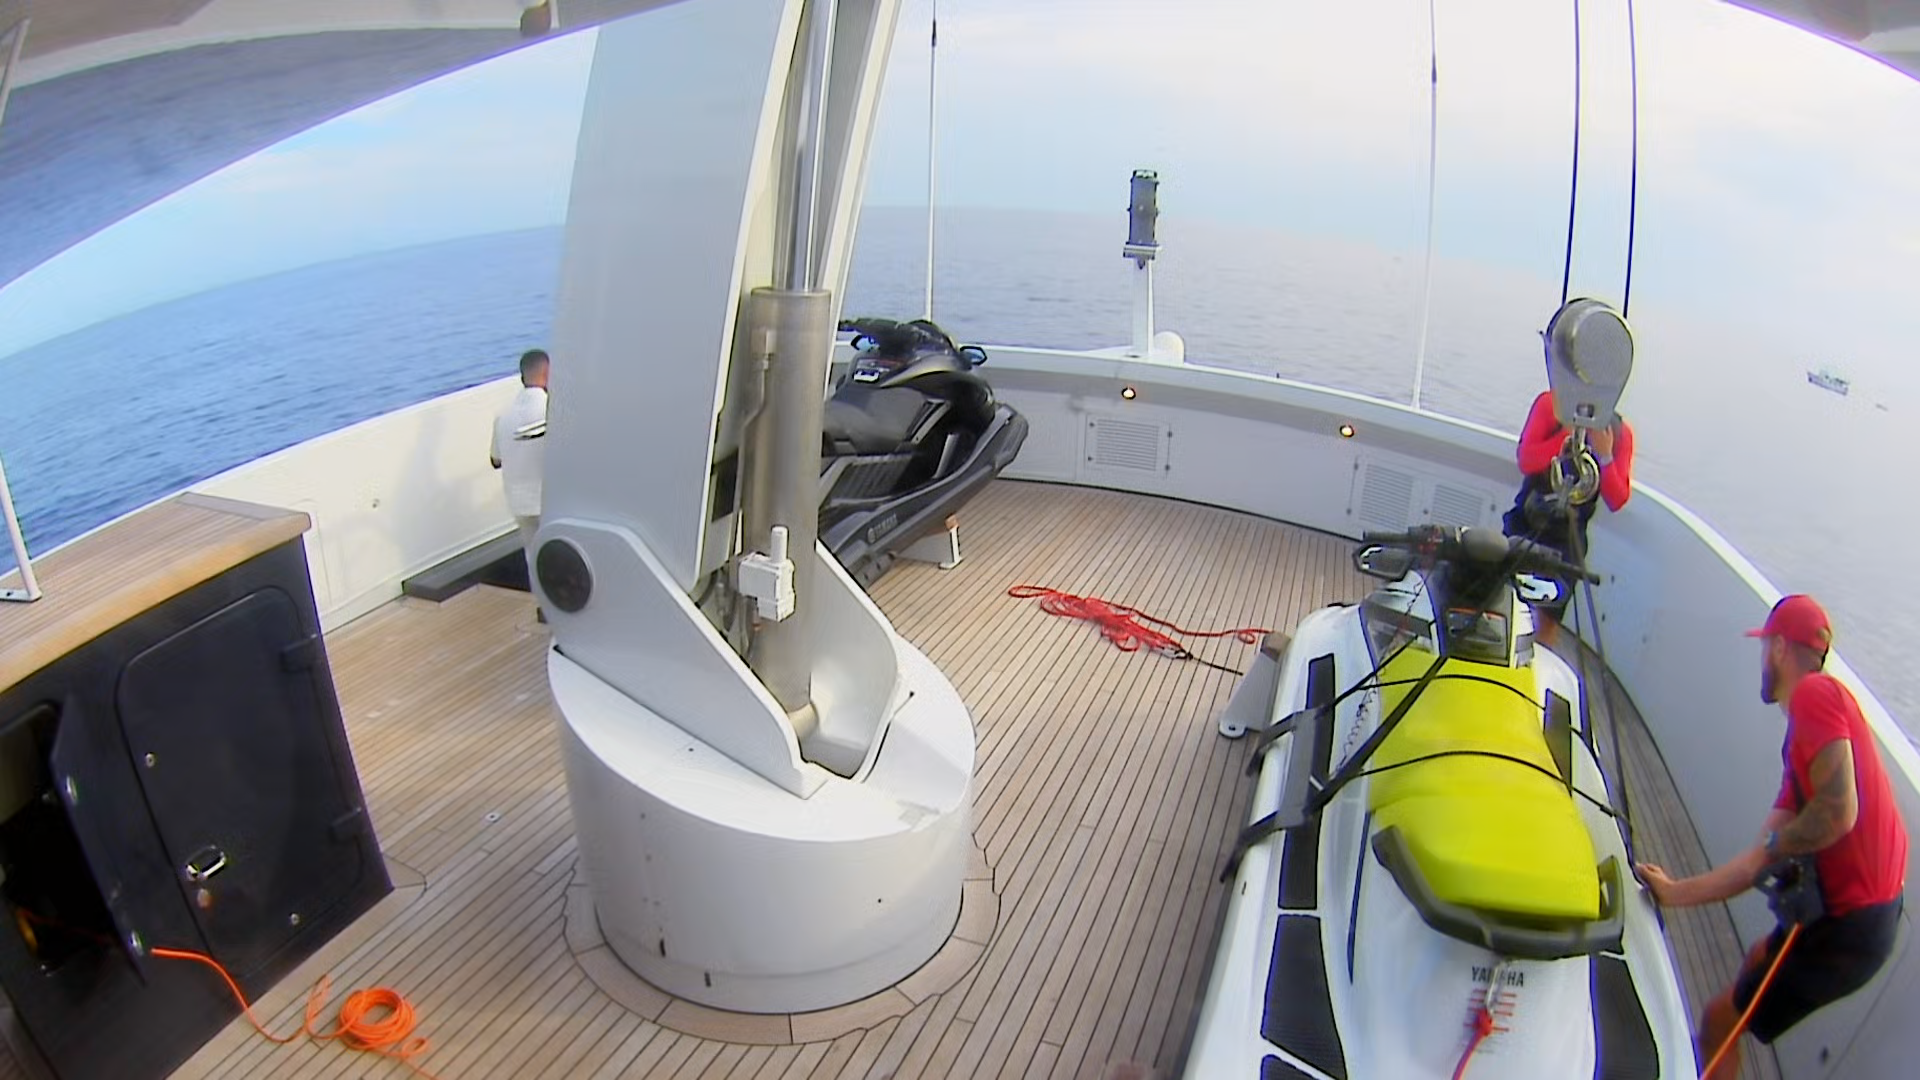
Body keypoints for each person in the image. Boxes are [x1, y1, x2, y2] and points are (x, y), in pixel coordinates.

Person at [1636, 595, 1907, 1080]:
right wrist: (1674, 891)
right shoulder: (1806, 743)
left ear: (1780, 648)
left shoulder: (1814, 694)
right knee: (1757, 959)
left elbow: (1838, 812)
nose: (1762, 660)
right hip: (1869, 916)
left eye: (1765, 648)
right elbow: (1752, 864)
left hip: (1847, 929)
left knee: (1718, 1023)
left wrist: (1778, 849)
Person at [1500, 389, 1634, 641]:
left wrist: (1604, 455)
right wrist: (1569, 434)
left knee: (1548, 618)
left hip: (1567, 539)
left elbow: (1617, 499)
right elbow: (1527, 460)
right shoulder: (1549, 405)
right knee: (1503, 598)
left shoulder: (1619, 433)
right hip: (1527, 522)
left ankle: (1539, 652)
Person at [491, 348, 550, 576]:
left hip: (518, 502)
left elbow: (496, 460)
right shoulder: (552, 410)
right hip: (548, 499)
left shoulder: (503, 416)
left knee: (532, 554)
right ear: (548, 373)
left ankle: (539, 595)